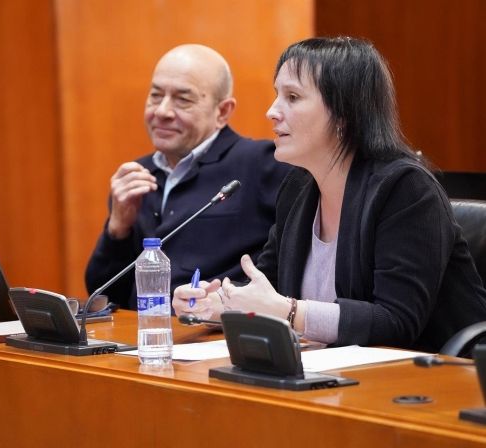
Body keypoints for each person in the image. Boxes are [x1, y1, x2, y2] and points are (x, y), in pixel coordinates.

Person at [173, 37, 486, 353]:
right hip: (331, 370)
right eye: (277, 95)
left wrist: (289, 311)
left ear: (344, 114)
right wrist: (216, 305)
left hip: (431, 374)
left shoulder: (405, 189)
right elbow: (267, 288)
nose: (272, 112)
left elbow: (395, 322)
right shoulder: (297, 188)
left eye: (293, 97)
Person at [85, 44, 290, 310]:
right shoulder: (137, 176)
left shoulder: (263, 164)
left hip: (214, 329)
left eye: (183, 100)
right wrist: (118, 229)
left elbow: (290, 268)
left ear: (222, 112)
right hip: (144, 331)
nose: (162, 111)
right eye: (155, 96)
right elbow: (103, 296)